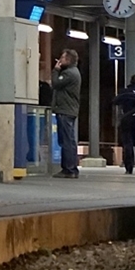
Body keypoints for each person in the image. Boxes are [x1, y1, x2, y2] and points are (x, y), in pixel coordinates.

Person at [51, 48, 82, 178]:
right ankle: (71, 168)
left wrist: (56, 70)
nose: (60, 60)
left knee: (67, 141)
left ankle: (69, 169)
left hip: (65, 110)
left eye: (62, 58)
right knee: (68, 140)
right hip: (69, 110)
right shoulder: (74, 72)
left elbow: (56, 84)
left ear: (68, 60)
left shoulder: (69, 74)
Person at [112, 74, 135, 174]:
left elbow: (115, 101)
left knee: (127, 143)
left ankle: (129, 167)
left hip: (126, 119)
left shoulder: (125, 92)